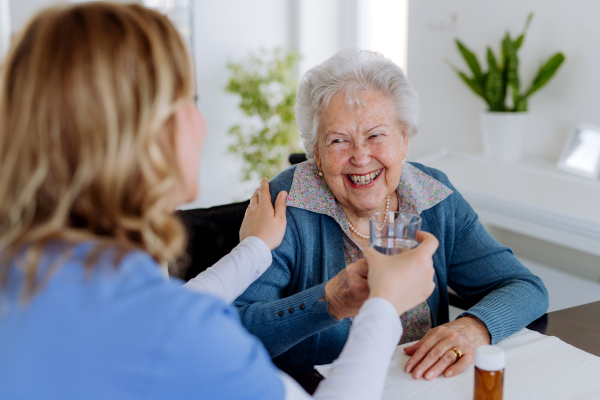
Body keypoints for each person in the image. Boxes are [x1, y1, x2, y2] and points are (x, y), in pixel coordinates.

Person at [0, 3, 438, 399]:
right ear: (151, 138)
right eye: (187, 102)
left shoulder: (36, 273)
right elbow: (174, 322)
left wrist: (252, 249)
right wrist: (384, 305)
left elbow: (173, 306)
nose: (200, 120)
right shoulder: (180, 335)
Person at [235, 49, 549, 380]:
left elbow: (525, 286)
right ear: (316, 153)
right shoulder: (286, 205)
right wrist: (330, 301)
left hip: (422, 386)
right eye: (339, 140)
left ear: (404, 140)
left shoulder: (432, 196)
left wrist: (474, 327)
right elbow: (232, 330)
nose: (360, 157)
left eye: (376, 135)